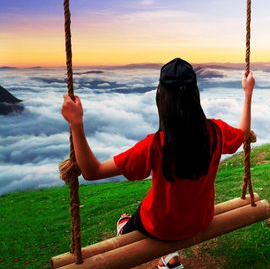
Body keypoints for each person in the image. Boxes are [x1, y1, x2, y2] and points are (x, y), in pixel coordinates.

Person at [61, 58, 255, 269]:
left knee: (135, 219)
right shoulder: (216, 133)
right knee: (159, 210)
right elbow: (243, 133)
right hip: (200, 219)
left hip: (160, 227)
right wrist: (247, 93)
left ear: (161, 97)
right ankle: (170, 258)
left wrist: (76, 124)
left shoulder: (154, 146)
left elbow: (92, 171)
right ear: (195, 95)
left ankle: (126, 229)